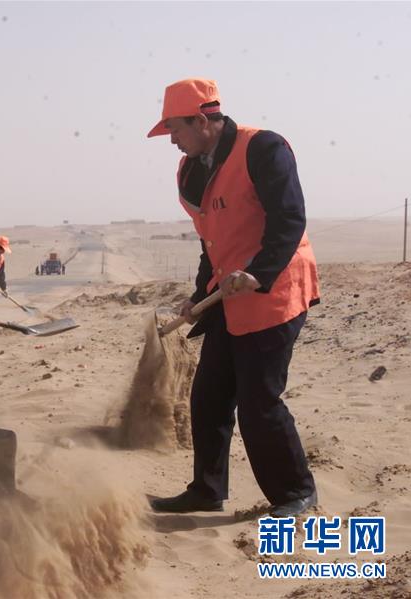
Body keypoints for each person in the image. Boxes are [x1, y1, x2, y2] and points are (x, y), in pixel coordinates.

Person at [146, 78, 320, 518]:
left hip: (275, 287)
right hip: (229, 292)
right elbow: (212, 243)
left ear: (202, 120)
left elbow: (289, 219)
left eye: (176, 130)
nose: (173, 142)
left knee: (258, 399)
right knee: (208, 396)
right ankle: (207, 490)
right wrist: (198, 294)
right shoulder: (191, 170)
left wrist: (259, 274)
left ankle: (295, 493)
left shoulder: (263, 149)